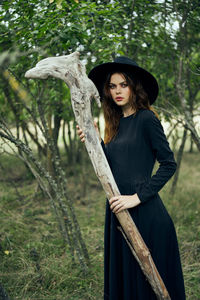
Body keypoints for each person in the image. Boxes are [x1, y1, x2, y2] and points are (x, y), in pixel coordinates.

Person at [77, 56, 186, 300]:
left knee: (148, 287)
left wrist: (136, 198)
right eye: (112, 86)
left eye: (123, 84)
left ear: (134, 87)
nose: (117, 91)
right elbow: (115, 167)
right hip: (117, 210)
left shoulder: (147, 119)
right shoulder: (115, 124)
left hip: (145, 215)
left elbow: (169, 164)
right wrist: (95, 141)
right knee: (127, 284)